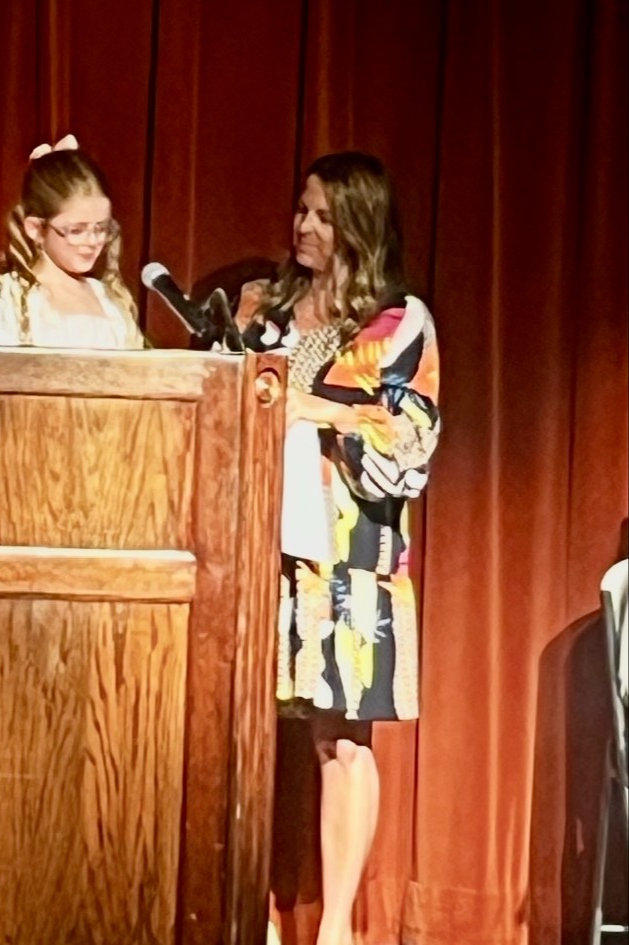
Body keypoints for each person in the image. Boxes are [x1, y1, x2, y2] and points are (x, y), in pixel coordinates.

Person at [234, 152, 441, 945]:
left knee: (340, 736)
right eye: (299, 210)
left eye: (320, 214)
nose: (303, 226)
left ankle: (340, 927)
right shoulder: (263, 307)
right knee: (245, 729)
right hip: (258, 543)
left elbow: (404, 434)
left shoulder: (397, 320)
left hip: (349, 558)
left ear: (357, 222)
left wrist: (304, 403)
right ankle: (246, 912)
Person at [0, 135, 146, 350]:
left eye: (101, 228)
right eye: (76, 230)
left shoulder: (107, 299)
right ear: (36, 229)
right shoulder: (17, 296)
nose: (93, 241)